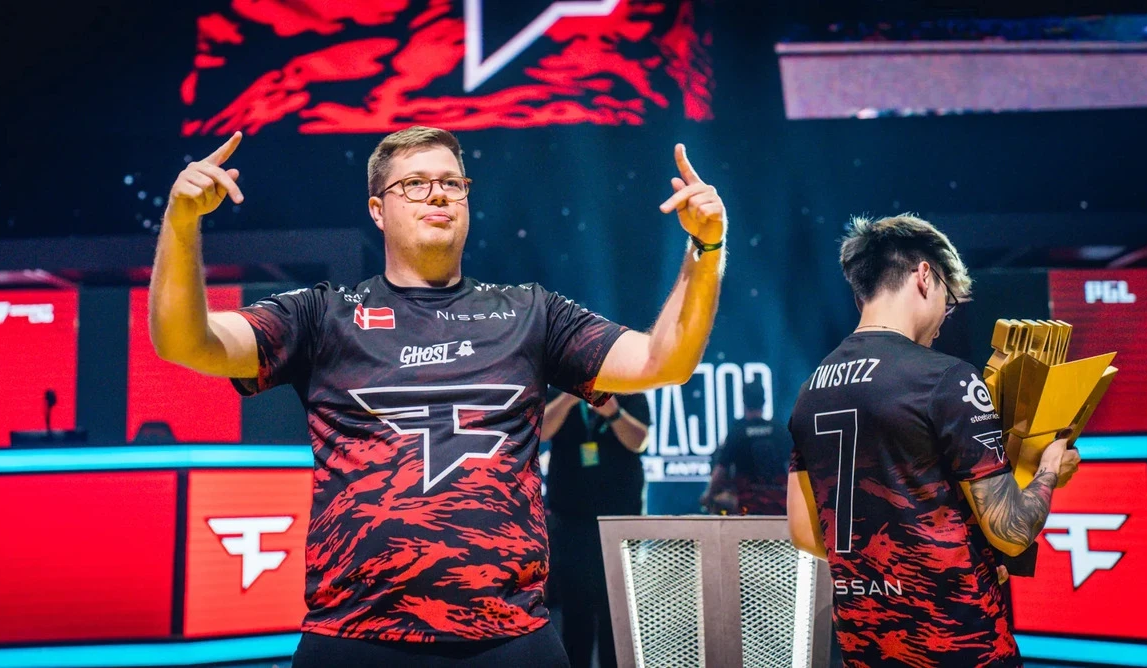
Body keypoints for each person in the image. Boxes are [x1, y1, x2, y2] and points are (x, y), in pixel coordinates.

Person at [149, 126, 729, 666]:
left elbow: (663, 362)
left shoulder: (530, 312)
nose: (438, 195)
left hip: (510, 639)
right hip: (353, 637)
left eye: (452, 183)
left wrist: (705, 251)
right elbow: (184, 342)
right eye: (415, 184)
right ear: (377, 209)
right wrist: (180, 222)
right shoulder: (323, 315)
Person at [785, 215, 1081, 667]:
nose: (945, 318)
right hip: (961, 646)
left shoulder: (811, 391)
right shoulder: (945, 378)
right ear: (925, 275)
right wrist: (1050, 467)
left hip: (866, 648)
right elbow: (1013, 530)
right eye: (949, 298)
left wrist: (911, 563)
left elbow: (806, 533)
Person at [541, 391, 650, 668]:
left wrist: (613, 412)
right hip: (571, 520)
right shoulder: (559, 389)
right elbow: (540, 433)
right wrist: (569, 398)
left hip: (619, 521)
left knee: (617, 612)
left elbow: (640, 441)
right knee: (574, 612)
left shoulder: (630, 390)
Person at [699, 382, 790, 515]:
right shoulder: (779, 431)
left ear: (743, 402)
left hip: (747, 506)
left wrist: (708, 496)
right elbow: (794, 467)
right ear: (764, 401)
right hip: (778, 506)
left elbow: (720, 471)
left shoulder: (737, 433)